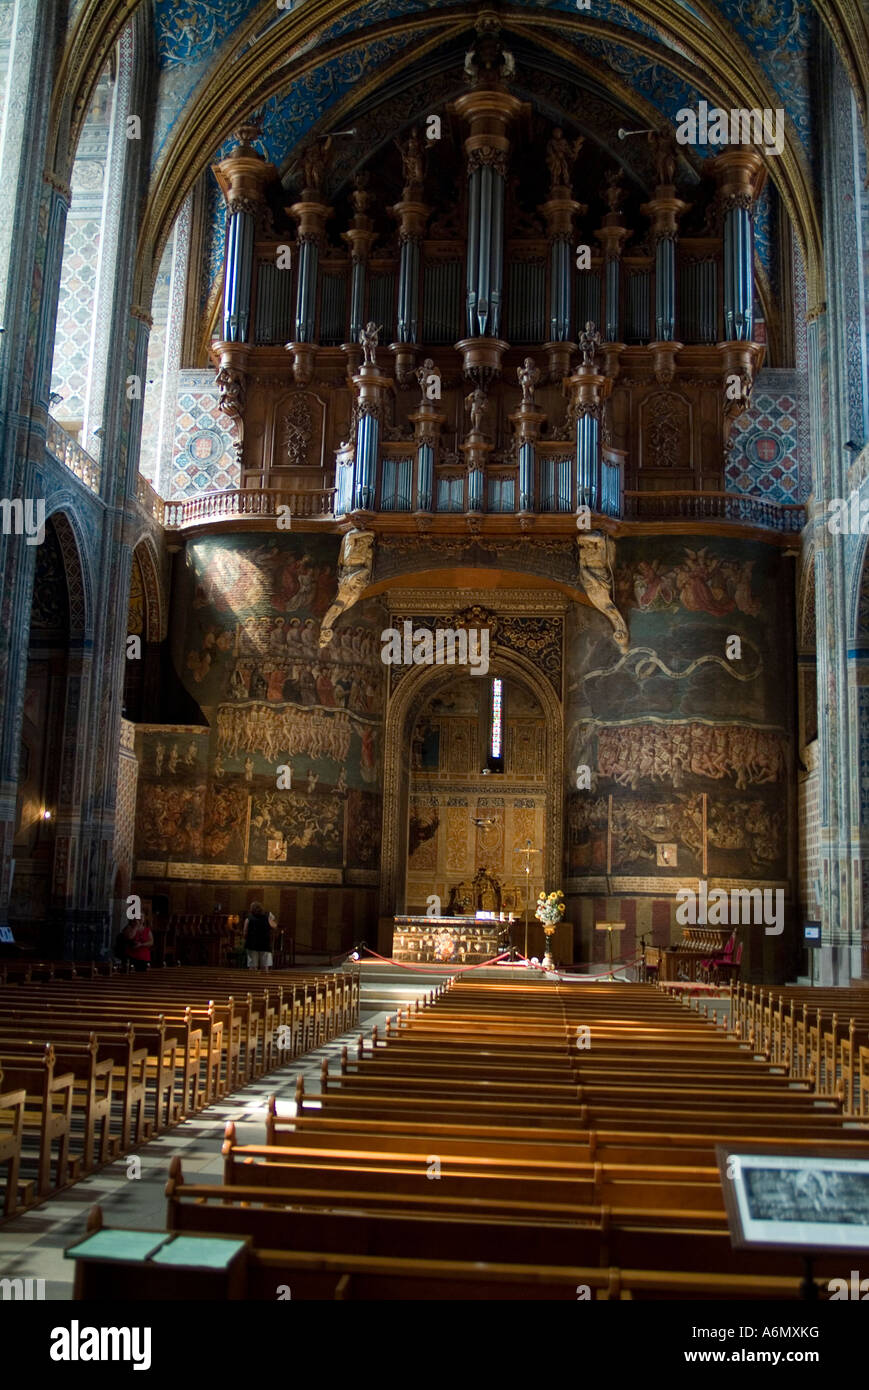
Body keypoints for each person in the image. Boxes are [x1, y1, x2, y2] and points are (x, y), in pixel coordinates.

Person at [244, 900, 277, 971]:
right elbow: (274, 926)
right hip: (264, 943)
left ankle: (252, 981)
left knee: (252, 966)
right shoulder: (267, 916)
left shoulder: (249, 918)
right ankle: (264, 980)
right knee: (264, 967)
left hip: (252, 944)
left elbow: (245, 932)